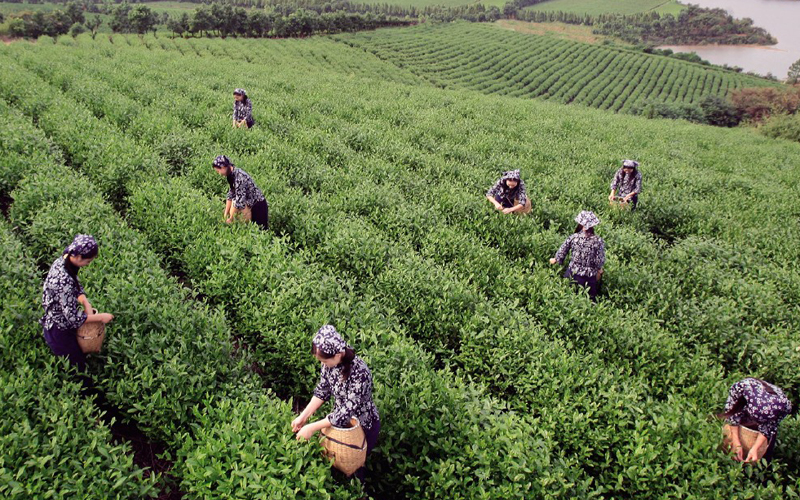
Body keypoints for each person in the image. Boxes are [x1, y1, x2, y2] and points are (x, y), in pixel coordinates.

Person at [292, 325, 380, 484]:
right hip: (337, 423)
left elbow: (346, 412)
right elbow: (322, 391)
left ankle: (359, 492)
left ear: (338, 354)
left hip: (362, 426)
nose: (323, 364)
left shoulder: (360, 372)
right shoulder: (328, 364)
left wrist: (311, 428)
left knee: (353, 468)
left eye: (324, 360)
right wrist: (303, 417)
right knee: (334, 462)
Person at [40, 234, 114, 373]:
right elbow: (73, 318)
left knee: (78, 357)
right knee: (76, 366)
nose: (88, 264)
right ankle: (82, 390)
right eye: (88, 261)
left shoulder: (64, 260)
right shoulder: (63, 280)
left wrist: (85, 302)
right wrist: (101, 317)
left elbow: (75, 283)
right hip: (58, 329)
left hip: (62, 322)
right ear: (79, 257)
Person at [717, 378, 793, 463]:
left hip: (768, 411)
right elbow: (733, 416)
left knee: (762, 454)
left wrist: (755, 448)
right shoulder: (741, 387)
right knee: (729, 445)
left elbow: (768, 429)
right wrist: (736, 443)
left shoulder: (783, 407)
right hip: (748, 406)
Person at [549, 211, 605, 301]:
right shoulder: (598, 240)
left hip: (573, 272)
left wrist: (556, 259)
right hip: (589, 276)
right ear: (592, 225)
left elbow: (563, 250)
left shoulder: (574, 237)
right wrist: (599, 269)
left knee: (566, 297)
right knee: (589, 301)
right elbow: (599, 259)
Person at [212, 155, 269, 230]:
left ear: (223, 167)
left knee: (261, 231)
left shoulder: (239, 177)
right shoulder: (231, 175)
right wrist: (226, 214)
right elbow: (231, 194)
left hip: (258, 205)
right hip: (249, 204)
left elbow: (239, 202)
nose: (219, 173)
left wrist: (231, 219)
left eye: (218, 171)